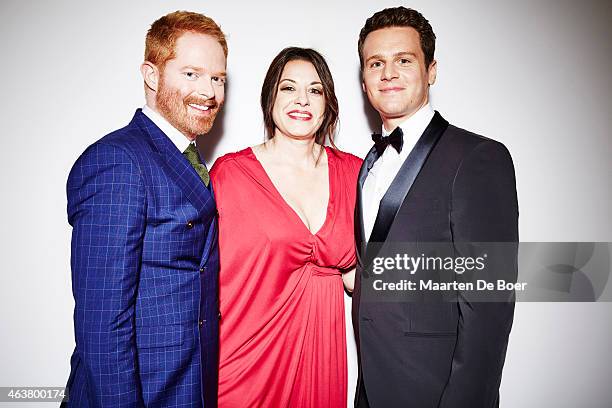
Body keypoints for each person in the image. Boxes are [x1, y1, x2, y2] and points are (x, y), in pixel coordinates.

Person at [348, 7, 519, 408]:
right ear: (364, 79)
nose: (388, 73)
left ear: (431, 70)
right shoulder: (366, 166)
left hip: (436, 390)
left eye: (403, 60)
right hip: (372, 387)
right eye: (376, 63)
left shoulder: (478, 157)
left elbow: (489, 300)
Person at [62, 11, 226, 407]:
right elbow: (102, 328)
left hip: (186, 389)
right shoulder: (118, 162)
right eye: (191, 74)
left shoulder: (186, 157)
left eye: (218, 78)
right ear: (152, 76)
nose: (209, 91)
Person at [210, 47, 362, 407]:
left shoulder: (354, 172)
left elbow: (358, 277)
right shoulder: (231, 175)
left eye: (315, 90)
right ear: (270, 98)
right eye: (288, 88)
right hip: (246, 359)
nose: (302, 100)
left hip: (321, 360)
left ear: (328, 102)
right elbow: (201, 275)